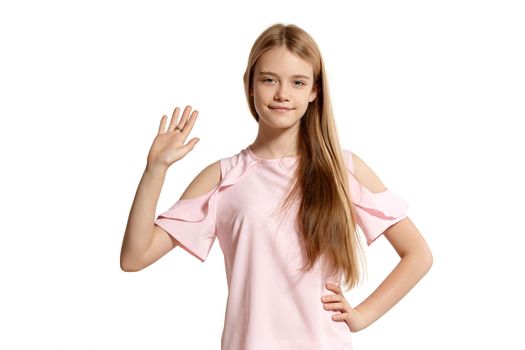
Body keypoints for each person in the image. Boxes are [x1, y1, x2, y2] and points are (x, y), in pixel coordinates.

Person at [120, 23, 433, 349]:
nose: (282, 93)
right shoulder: (223, 177)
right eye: (269, 79)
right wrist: (155, 170)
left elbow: (418, 254)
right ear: (250, 86)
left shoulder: (343, 170)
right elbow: (135, 257)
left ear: (314, 91)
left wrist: (363, 316)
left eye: (297, 82)